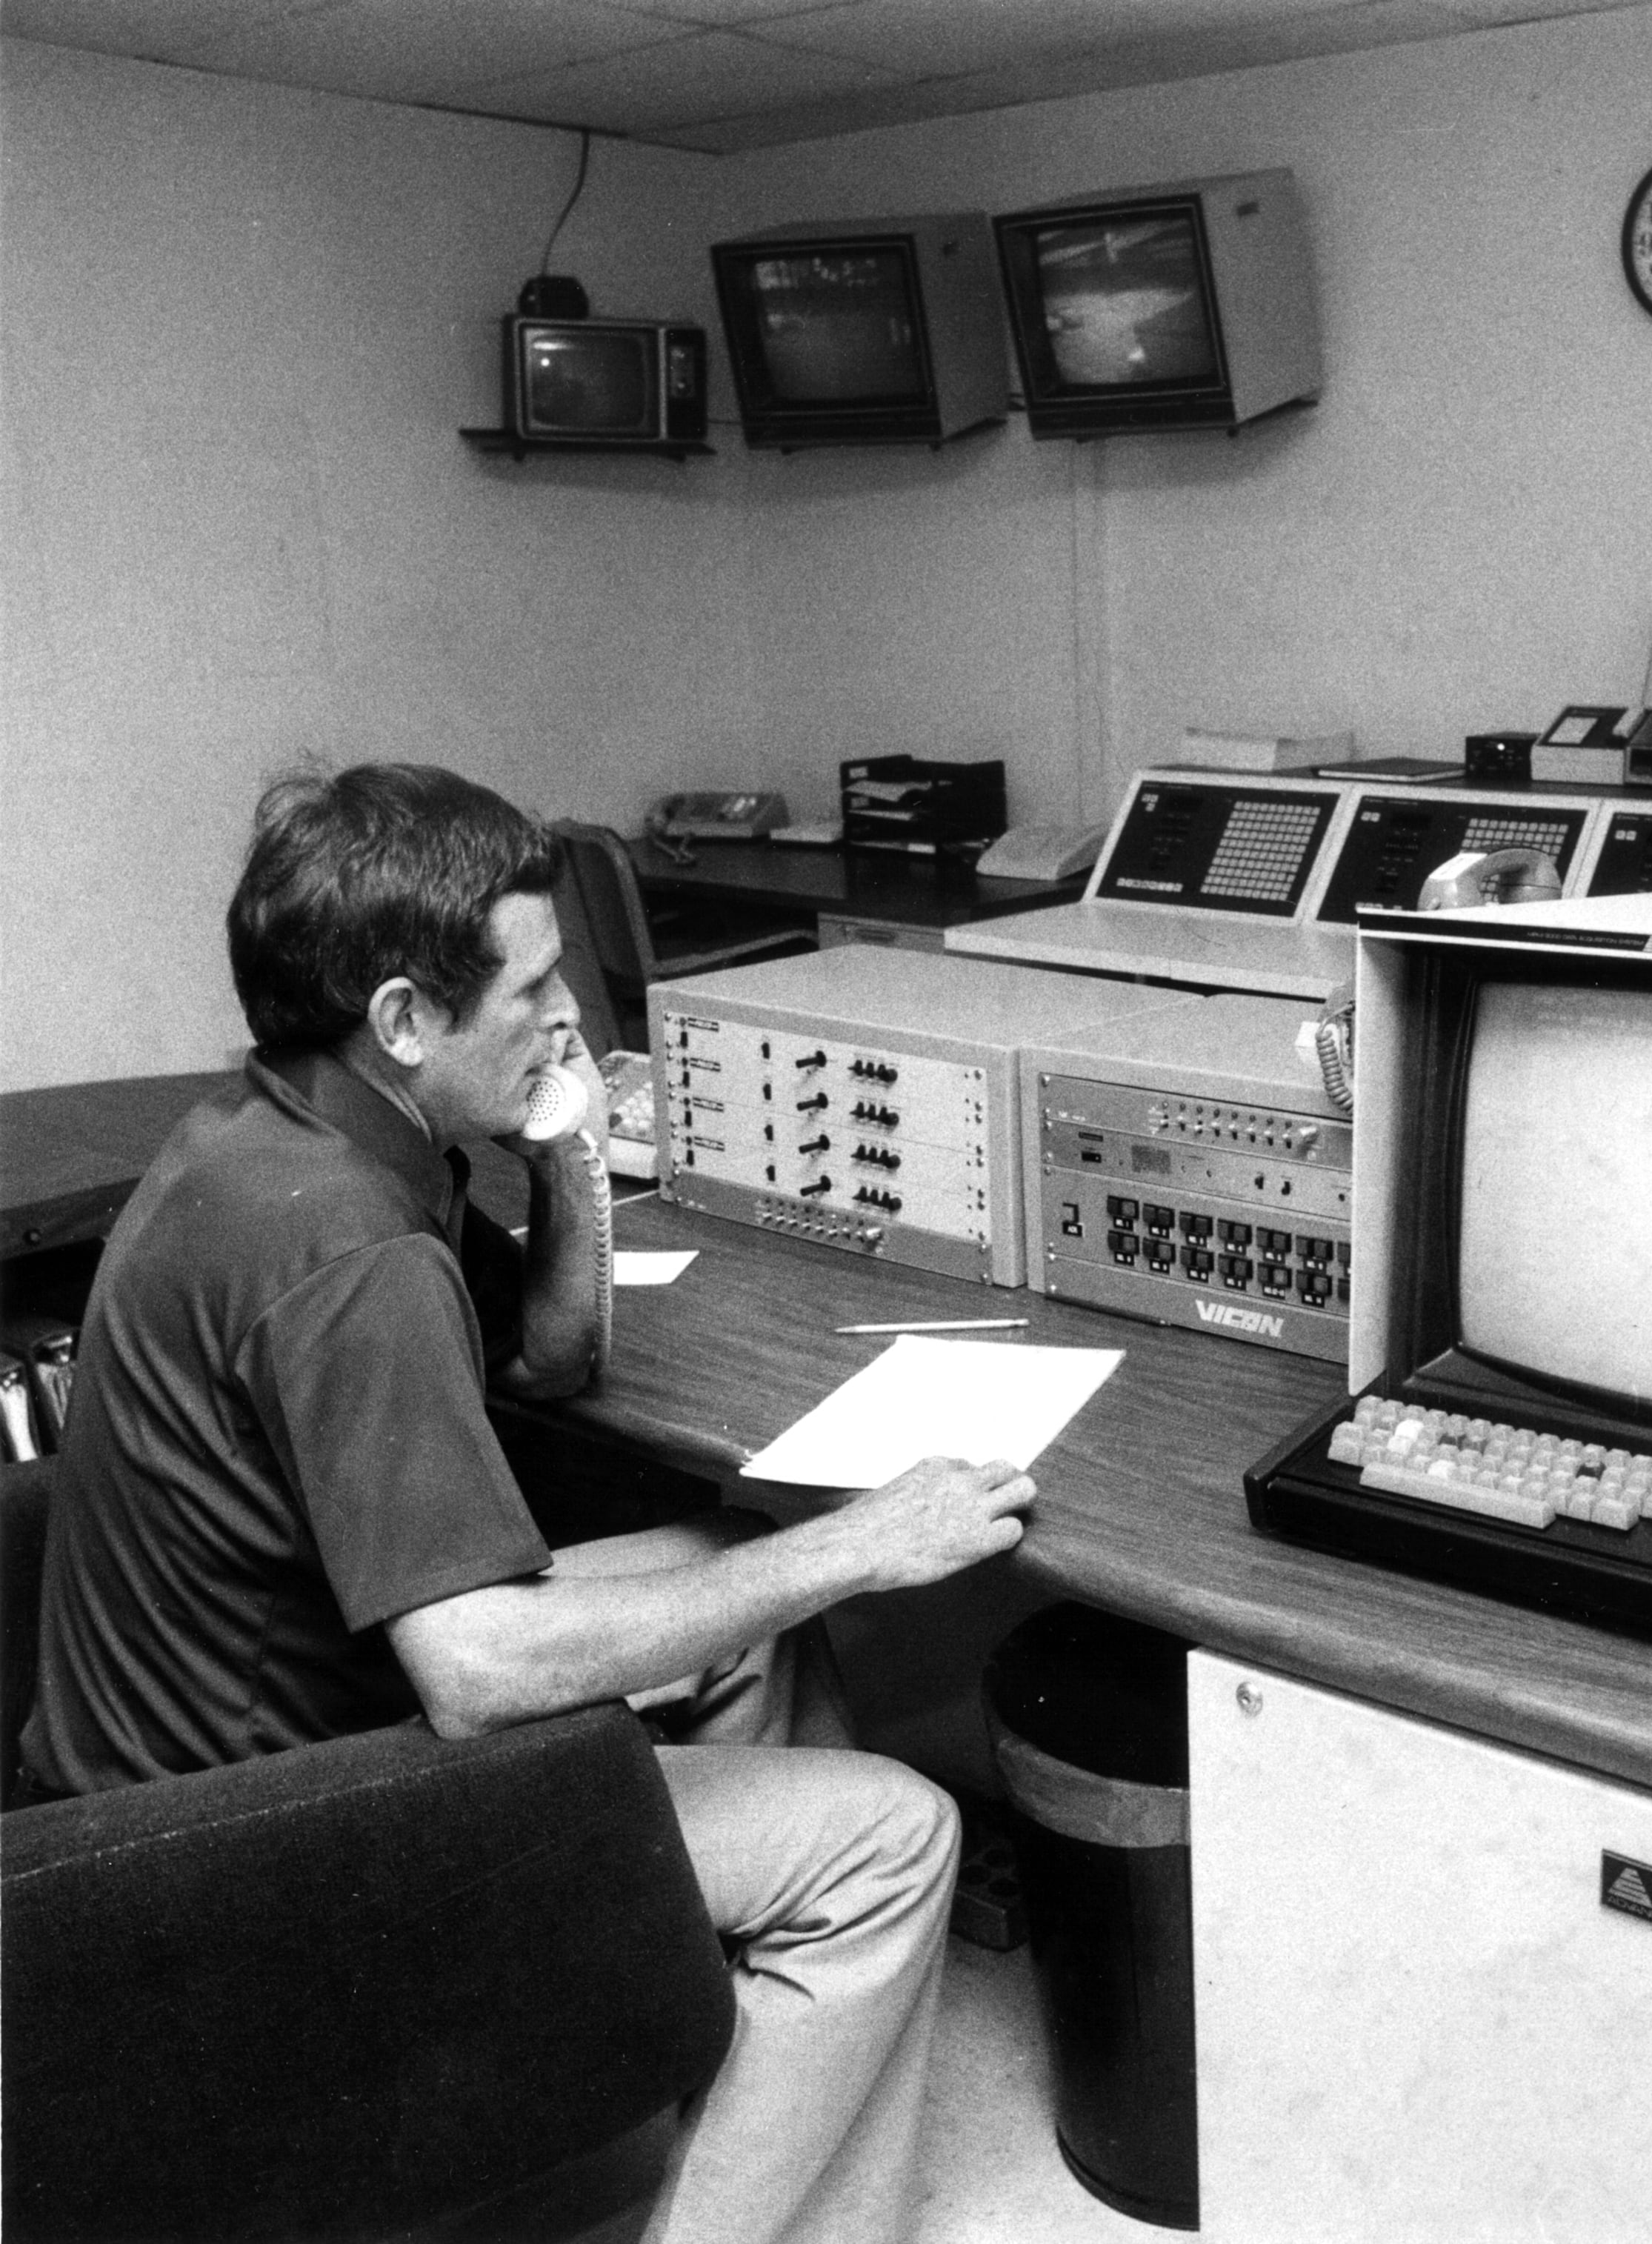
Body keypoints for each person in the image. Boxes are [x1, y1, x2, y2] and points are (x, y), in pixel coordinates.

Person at [19, 763, 1034, 2244]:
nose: (575, 1016)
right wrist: (862, 1546)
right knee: (894, 1837)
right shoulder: (345, 1256)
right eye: (538, 987)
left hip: (178, 1771)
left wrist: (567, 1151)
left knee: (733, 1586)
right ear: (405, 1022)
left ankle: (689, 2065)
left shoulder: (289, 1135)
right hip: (243, 1865)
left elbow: (551, 1357)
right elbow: (478, 1672)